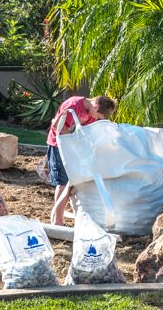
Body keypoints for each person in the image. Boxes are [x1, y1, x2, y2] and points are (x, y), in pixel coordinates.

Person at [46, 94, 118, 225]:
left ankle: (75, 216)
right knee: (63, 183)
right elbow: (56, 125)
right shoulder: (73, 105)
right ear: (95, 106)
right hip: (59, 145)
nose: (96, 119)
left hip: (75, 148)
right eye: (98, 116)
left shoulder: (93, 112)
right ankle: (57, 221)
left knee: (74, 182)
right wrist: (74, 140)